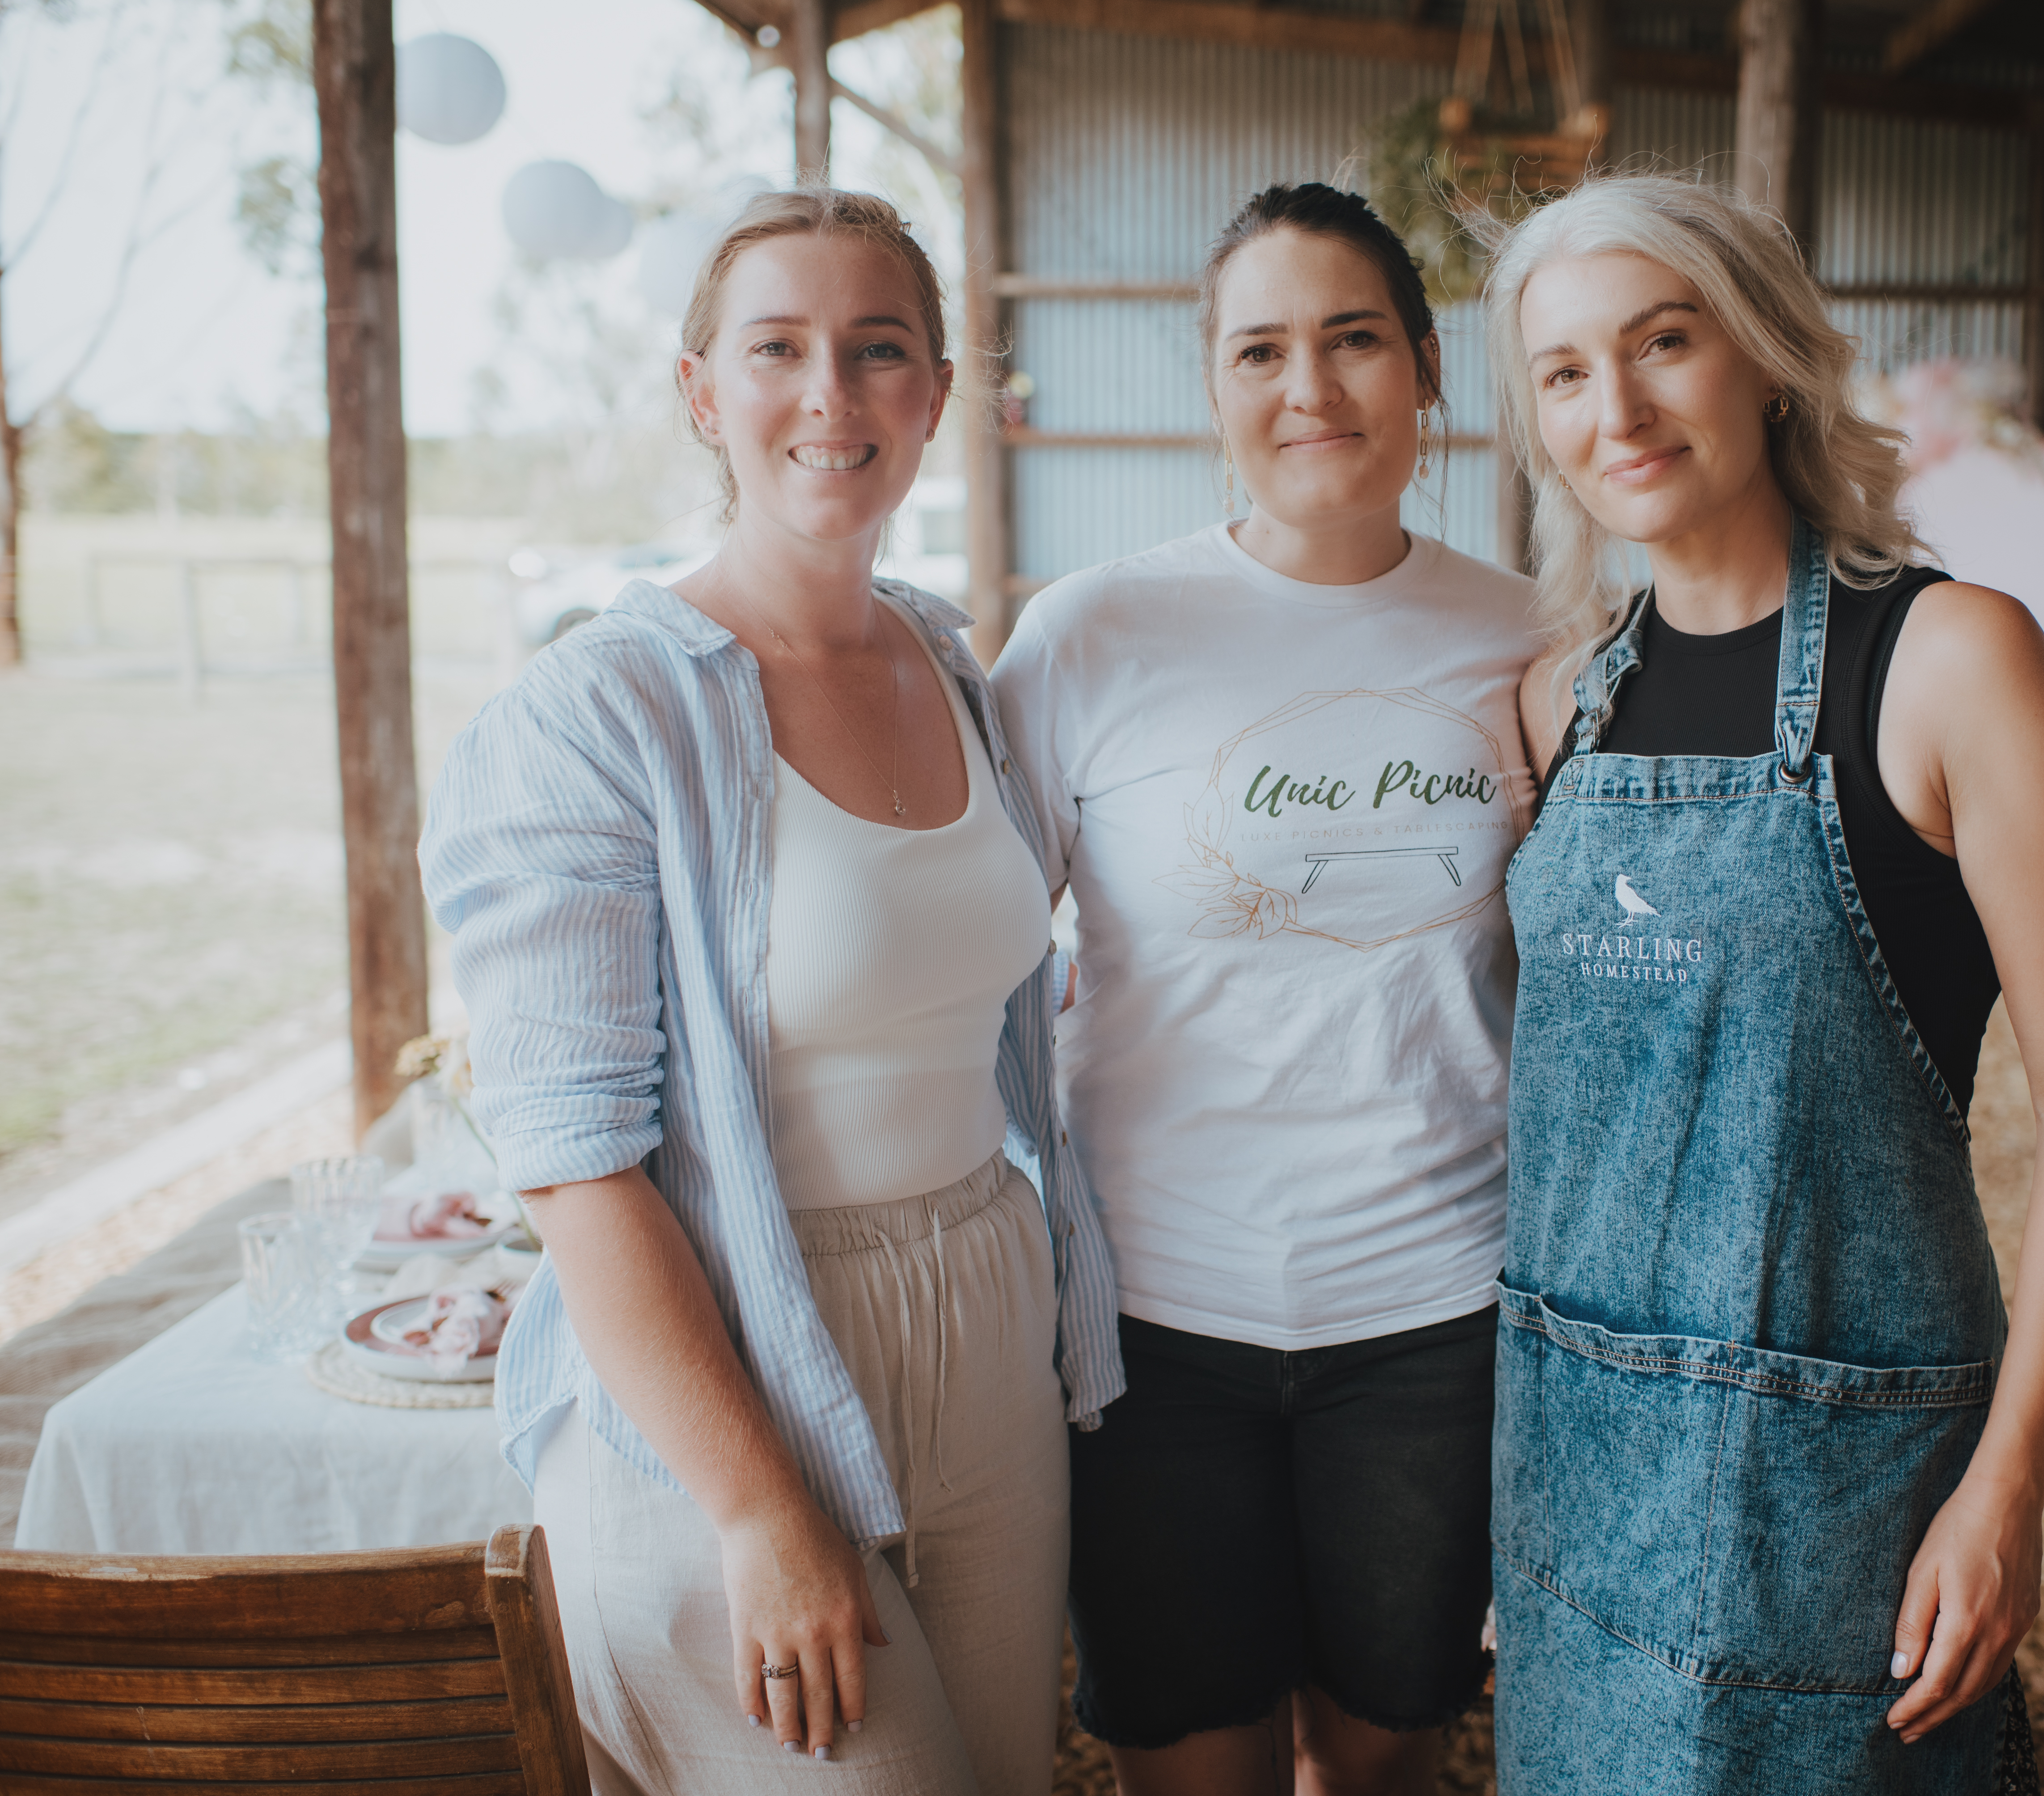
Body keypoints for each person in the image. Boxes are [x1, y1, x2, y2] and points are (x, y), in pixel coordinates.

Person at [422, 187, 1121, 1795]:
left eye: (880, 351)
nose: (832, 396)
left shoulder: (959, 672)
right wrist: (757, 1508)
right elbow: (570, 1155)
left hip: (988, 1305)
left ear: (937, 394)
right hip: (733, 1342)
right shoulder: (592, 718)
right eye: (778, 350)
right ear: (699, 394)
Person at [1480, 174, 2044, 1793]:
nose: (1617, 408)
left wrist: (2010, 1488)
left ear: (1768, 354)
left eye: (1664, 341)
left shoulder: (1953, 661)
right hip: (1575, 1457)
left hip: (1842, 1476)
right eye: (1565, 372)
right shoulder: (1559, 698)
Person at [990, 183, 1537, 1796]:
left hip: (1437, 1307)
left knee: (1383, 1751)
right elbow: (967, 941)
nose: (1311, 389)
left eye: (1354, 338)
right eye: (1261, 351)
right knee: (1196, 1765)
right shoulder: (1091, 637)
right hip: (1155, 1321)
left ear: (1430, 368)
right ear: (1216, 387)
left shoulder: (1532, 640)